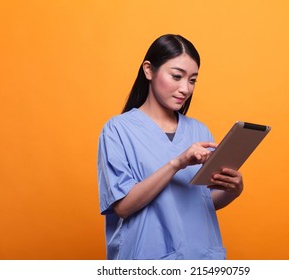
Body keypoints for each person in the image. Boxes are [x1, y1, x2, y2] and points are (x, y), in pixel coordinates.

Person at [97, 34, 243, 260]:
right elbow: (123, 207)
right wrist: (177, 163)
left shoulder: (199, 131)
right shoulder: (118, 130)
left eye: (192, 80)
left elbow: (199, 203)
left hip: (200, 258)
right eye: (177, 76)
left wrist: (233, 191)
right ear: (148, 70)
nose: (185, 88)